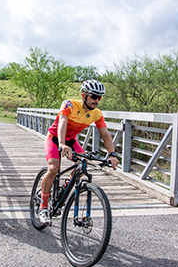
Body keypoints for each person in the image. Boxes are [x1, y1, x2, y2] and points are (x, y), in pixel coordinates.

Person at [39, 79, 119, 226]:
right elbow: (62, 121)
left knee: (82, 165)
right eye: (94, 96)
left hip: (71, 141)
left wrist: (112, 154)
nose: (97, 100)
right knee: (53, 168)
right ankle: (43, 207)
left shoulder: (96, 114)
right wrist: (62, 144)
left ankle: (64, 189)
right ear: (84, 95)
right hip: (55, 138)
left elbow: (105, 134)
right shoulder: (69, 104)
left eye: (99, 97)